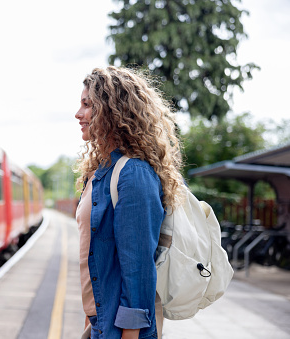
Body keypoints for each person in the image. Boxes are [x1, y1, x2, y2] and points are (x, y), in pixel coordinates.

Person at [74, 66, 184, 339]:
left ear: (111, 111)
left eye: (87, 105)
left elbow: (138, 270)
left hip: (123, 330)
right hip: (101, 320)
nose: (78, 114)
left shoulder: (133, 174)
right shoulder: (99, 173)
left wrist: (130, 334)